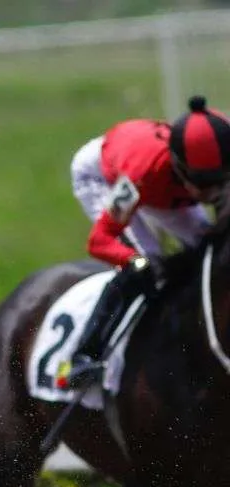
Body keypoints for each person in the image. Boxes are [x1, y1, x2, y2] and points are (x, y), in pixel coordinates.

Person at [59, 95, 230, 389]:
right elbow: (100, 240)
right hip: (103, 178)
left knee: (210, 253)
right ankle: (83, 356)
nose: (211, 194)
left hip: (166, 188)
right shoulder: (141, 175)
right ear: (179, 167)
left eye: (220, 181)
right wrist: (133, 261)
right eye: (202, 183)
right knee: (147, 265)